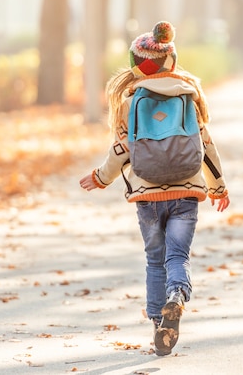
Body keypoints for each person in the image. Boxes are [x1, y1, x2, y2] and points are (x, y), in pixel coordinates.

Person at [79, 21, 230, 356]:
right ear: (171, 61)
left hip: (147, 197)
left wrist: (101, 178)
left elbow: (122, 149)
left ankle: (158, 323)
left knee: (154, 260)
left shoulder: (130, 100)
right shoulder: (189, 95)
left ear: (136, 64)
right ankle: (177, 295)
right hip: (186, 192)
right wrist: (218, 187)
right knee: (178, 255)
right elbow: (206, 145)